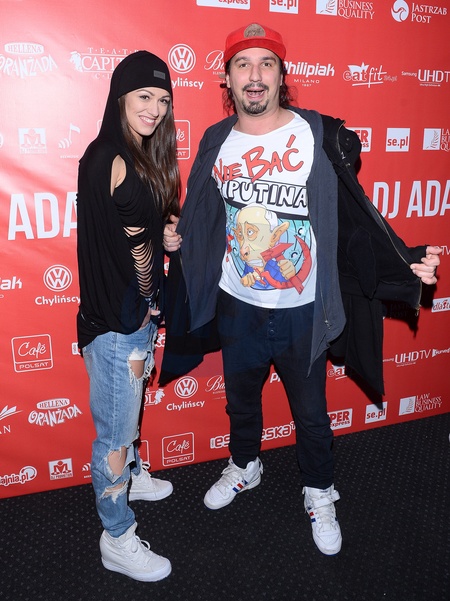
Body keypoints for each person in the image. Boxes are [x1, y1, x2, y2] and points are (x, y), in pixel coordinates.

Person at [162, 24, 441, 556]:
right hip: (238, 303)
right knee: (241, 402)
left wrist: (404, 263)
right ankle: (245, 465)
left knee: (311, 413)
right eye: (243, 64)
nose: (255, 75)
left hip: (303, 308)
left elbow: (355, 219)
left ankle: (319, 491)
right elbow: (203, 212)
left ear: (281, 75)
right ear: (227, 79)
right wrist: (178, 239)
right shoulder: (216, 140)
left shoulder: (317, 134)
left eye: (266, 63)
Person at [76, 51, 180, 581]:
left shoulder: (126, 153)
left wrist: (164, 233)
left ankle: (131, 477)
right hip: (121, 322)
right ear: (120, 96)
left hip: (127, 316)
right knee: (115, 437)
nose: (154, 108)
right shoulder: (113, 157)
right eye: (144, 96)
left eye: (162, 99)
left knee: (127, 415)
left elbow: (135, 231)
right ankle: (116, 536)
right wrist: (151, 302)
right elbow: (138, 254)